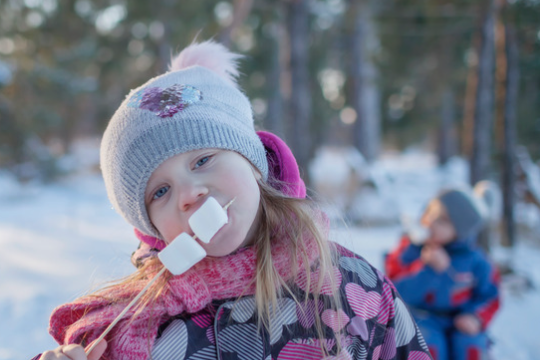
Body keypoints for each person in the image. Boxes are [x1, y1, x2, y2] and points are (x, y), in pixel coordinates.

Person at [36, 40, 431, 360]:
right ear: (153, 230)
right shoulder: (132, 324)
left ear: (255, 163)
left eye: (203, 160)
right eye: (160, 191)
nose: (190, 194)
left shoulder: (354, 287)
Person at [385, 189, 500, 360]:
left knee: (470, 345)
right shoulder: (410, 250)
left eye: (443, 221)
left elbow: (490, 295)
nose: (431, 221)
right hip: (419, 317)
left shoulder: (475, 260)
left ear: (460, 230)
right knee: (425, 343)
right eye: (430, 211)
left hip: (459, 319)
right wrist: (428, 269)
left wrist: (476, 318)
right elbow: (393, 291)